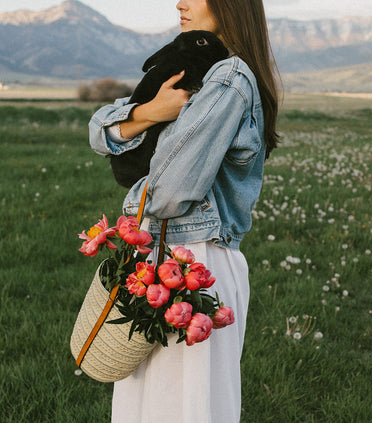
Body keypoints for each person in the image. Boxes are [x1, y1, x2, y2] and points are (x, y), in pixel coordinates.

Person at [88, 0, 279, 421]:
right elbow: (99, 131)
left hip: (196, 261)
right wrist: (153, 111)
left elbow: (173, 189)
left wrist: (133, 211)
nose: (180, 2)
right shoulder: (197, 69)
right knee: (153, 405)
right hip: (168, 258)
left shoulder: (229, 78)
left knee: (185, 407)